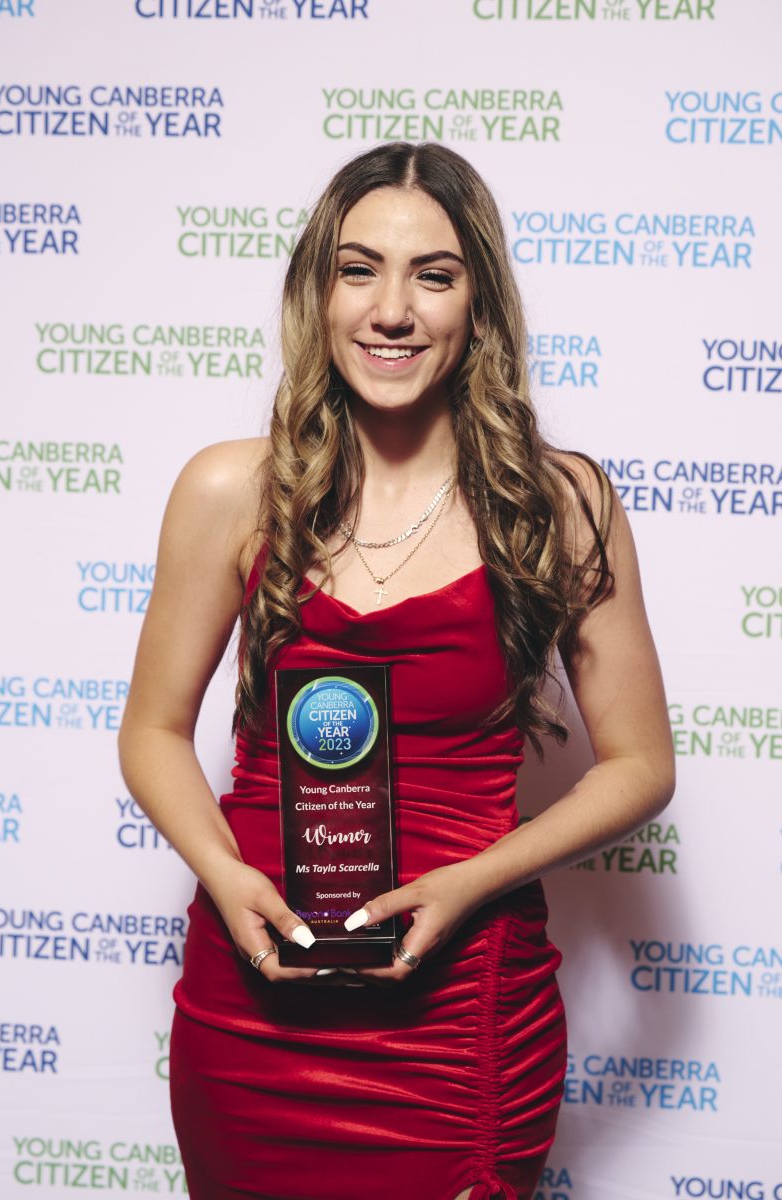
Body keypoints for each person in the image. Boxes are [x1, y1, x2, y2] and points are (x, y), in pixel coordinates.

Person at [118, 141, 675, 1200]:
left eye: (434, 274)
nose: (391, 310)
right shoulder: (230, 490)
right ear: (317, 293)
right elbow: (151, 732)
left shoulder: (558, 505)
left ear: (478, 306)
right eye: (357, 269)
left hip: (460, 1012)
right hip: (255, 1001)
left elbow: (638, 764)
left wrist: (471, 881)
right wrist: (228, 879)